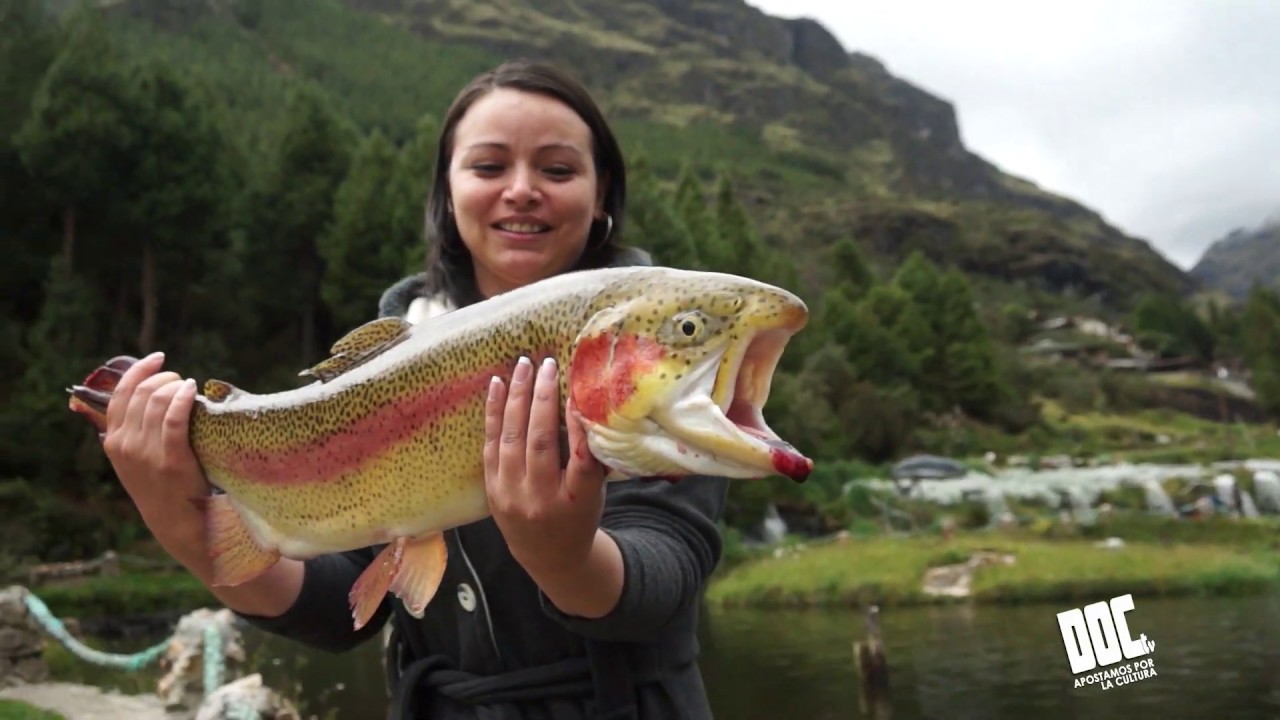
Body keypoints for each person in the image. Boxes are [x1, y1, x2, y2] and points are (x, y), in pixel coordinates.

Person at [97, 58, 728, 720]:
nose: (521, 190)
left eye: (558, 170)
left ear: (603, 196)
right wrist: (183, 525)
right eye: (488, 168)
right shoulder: (392, 352)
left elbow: (663, 579)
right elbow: (341, 610)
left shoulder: (660, 349)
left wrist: (565, 556)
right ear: (447, 196)